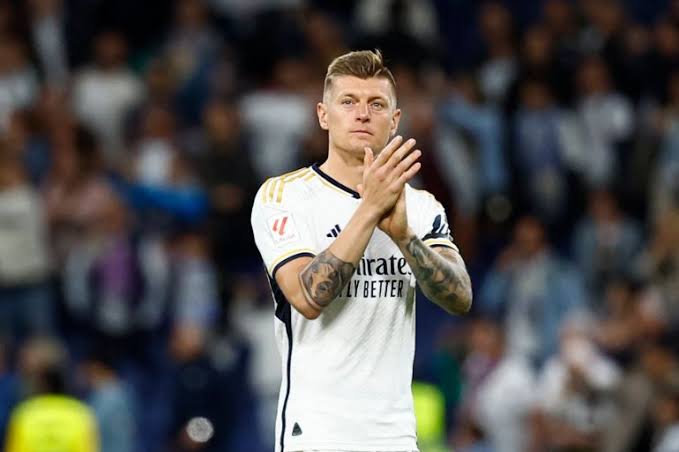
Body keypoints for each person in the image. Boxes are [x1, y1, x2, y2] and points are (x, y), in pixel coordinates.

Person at [250, 50, 473, 452]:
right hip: (316, 434)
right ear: (323, 115)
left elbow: (460, 297)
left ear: (396, 120)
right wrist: (370, 209)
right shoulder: (284, 196)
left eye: (376, 104)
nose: (363, 114)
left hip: (395, 435)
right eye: (348, 102)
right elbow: (308, 297)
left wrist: (405, 238)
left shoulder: (421, 207)